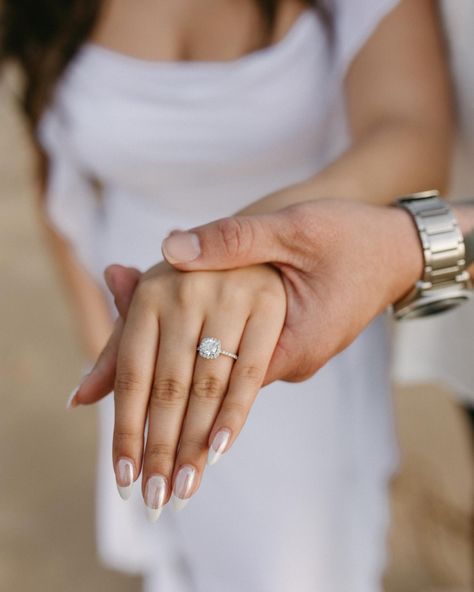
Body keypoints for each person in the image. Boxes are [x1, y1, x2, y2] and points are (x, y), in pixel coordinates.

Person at [0, 1, 455, 590]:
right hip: (141, 337)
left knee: (292, 564)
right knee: (184, 551)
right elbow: (52, 162)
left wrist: (260, 241)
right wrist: (101, 342)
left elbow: (413, 131)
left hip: (291, 318)